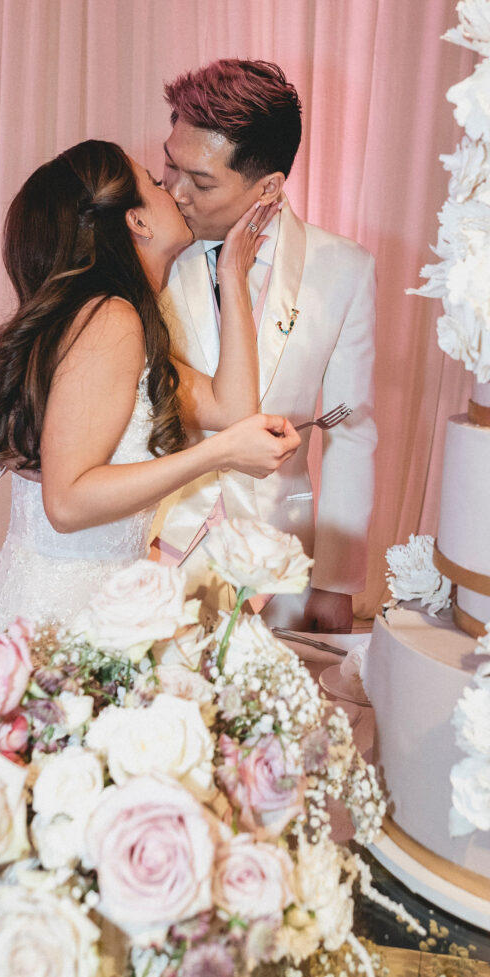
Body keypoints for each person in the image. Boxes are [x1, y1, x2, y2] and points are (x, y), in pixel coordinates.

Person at [0, 140, 299, 631]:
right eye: (157, 184)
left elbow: (231, 409)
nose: (174, 191)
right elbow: (67, 504)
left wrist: (232, 274)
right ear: (136, 221)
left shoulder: (117, 318)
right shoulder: (110, 319)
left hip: (83, 593)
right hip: (70, 610)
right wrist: (218, 454)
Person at [155, 59, 377, 632]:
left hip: (280, 560)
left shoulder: (344, 270)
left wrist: (335, 580)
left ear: (269, 187)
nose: (174, 192)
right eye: (169, 164)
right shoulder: (143, 243)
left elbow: (351, 432)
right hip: (152, 546)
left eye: (200, 181)